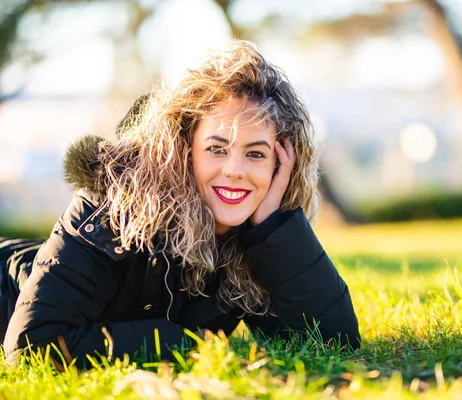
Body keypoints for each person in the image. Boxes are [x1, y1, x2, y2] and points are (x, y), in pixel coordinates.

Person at [0, 41, 360, 369]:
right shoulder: (112, 209)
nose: (235, 171)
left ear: (279, 165)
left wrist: (274, 228)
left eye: (255, 154)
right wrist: (185, 343)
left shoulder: (253, 240)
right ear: (185, 150)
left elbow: (333, 342)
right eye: (217, 149)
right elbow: (33, 348)